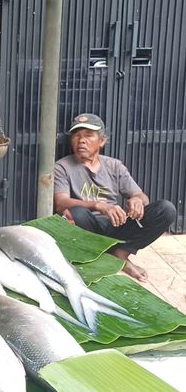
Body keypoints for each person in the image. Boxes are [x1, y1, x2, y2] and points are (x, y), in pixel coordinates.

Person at [53, 113, 175, 281]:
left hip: (117, 224)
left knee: (166, 209)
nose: (81, 140)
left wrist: (137, 201)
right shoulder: (62, 167)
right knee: (76, 212)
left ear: (102, 141)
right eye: (77, 135)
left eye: (88, 135)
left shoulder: (114, 165)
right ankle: (100, 254)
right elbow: (61, 203)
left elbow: (140, 195)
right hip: (88, 227)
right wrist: (97, 205)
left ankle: (121, 254)